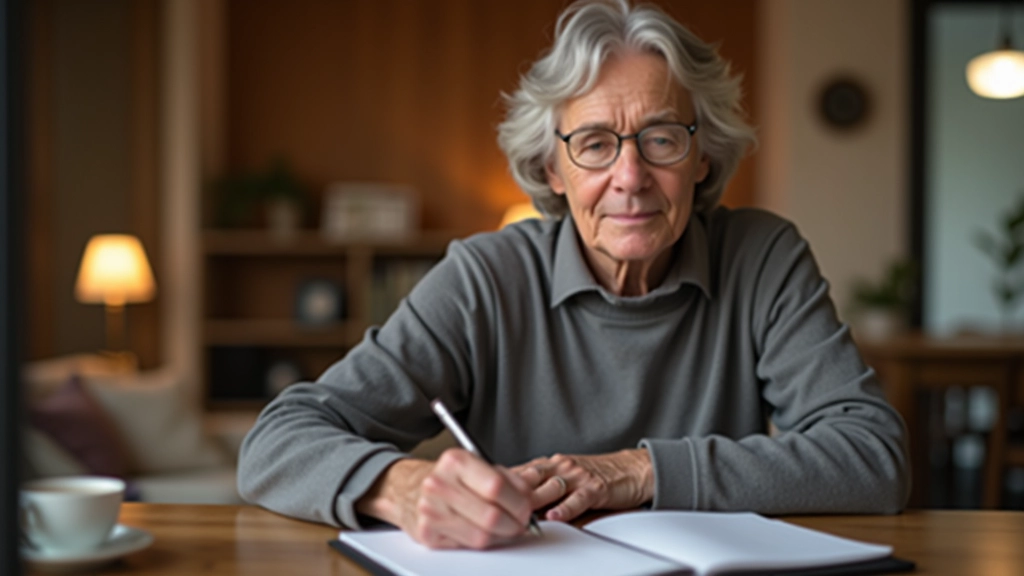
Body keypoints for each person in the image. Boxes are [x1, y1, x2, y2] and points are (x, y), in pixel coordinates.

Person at [238, 0, 909, 550]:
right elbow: (276, 441)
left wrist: (639, 470)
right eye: (594, 145)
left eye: (662, 138)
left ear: (703, 155)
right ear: (553, 172)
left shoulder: (763, 257)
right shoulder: (486, 277)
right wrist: (401, 487)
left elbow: (873, 457)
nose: (631, 177)